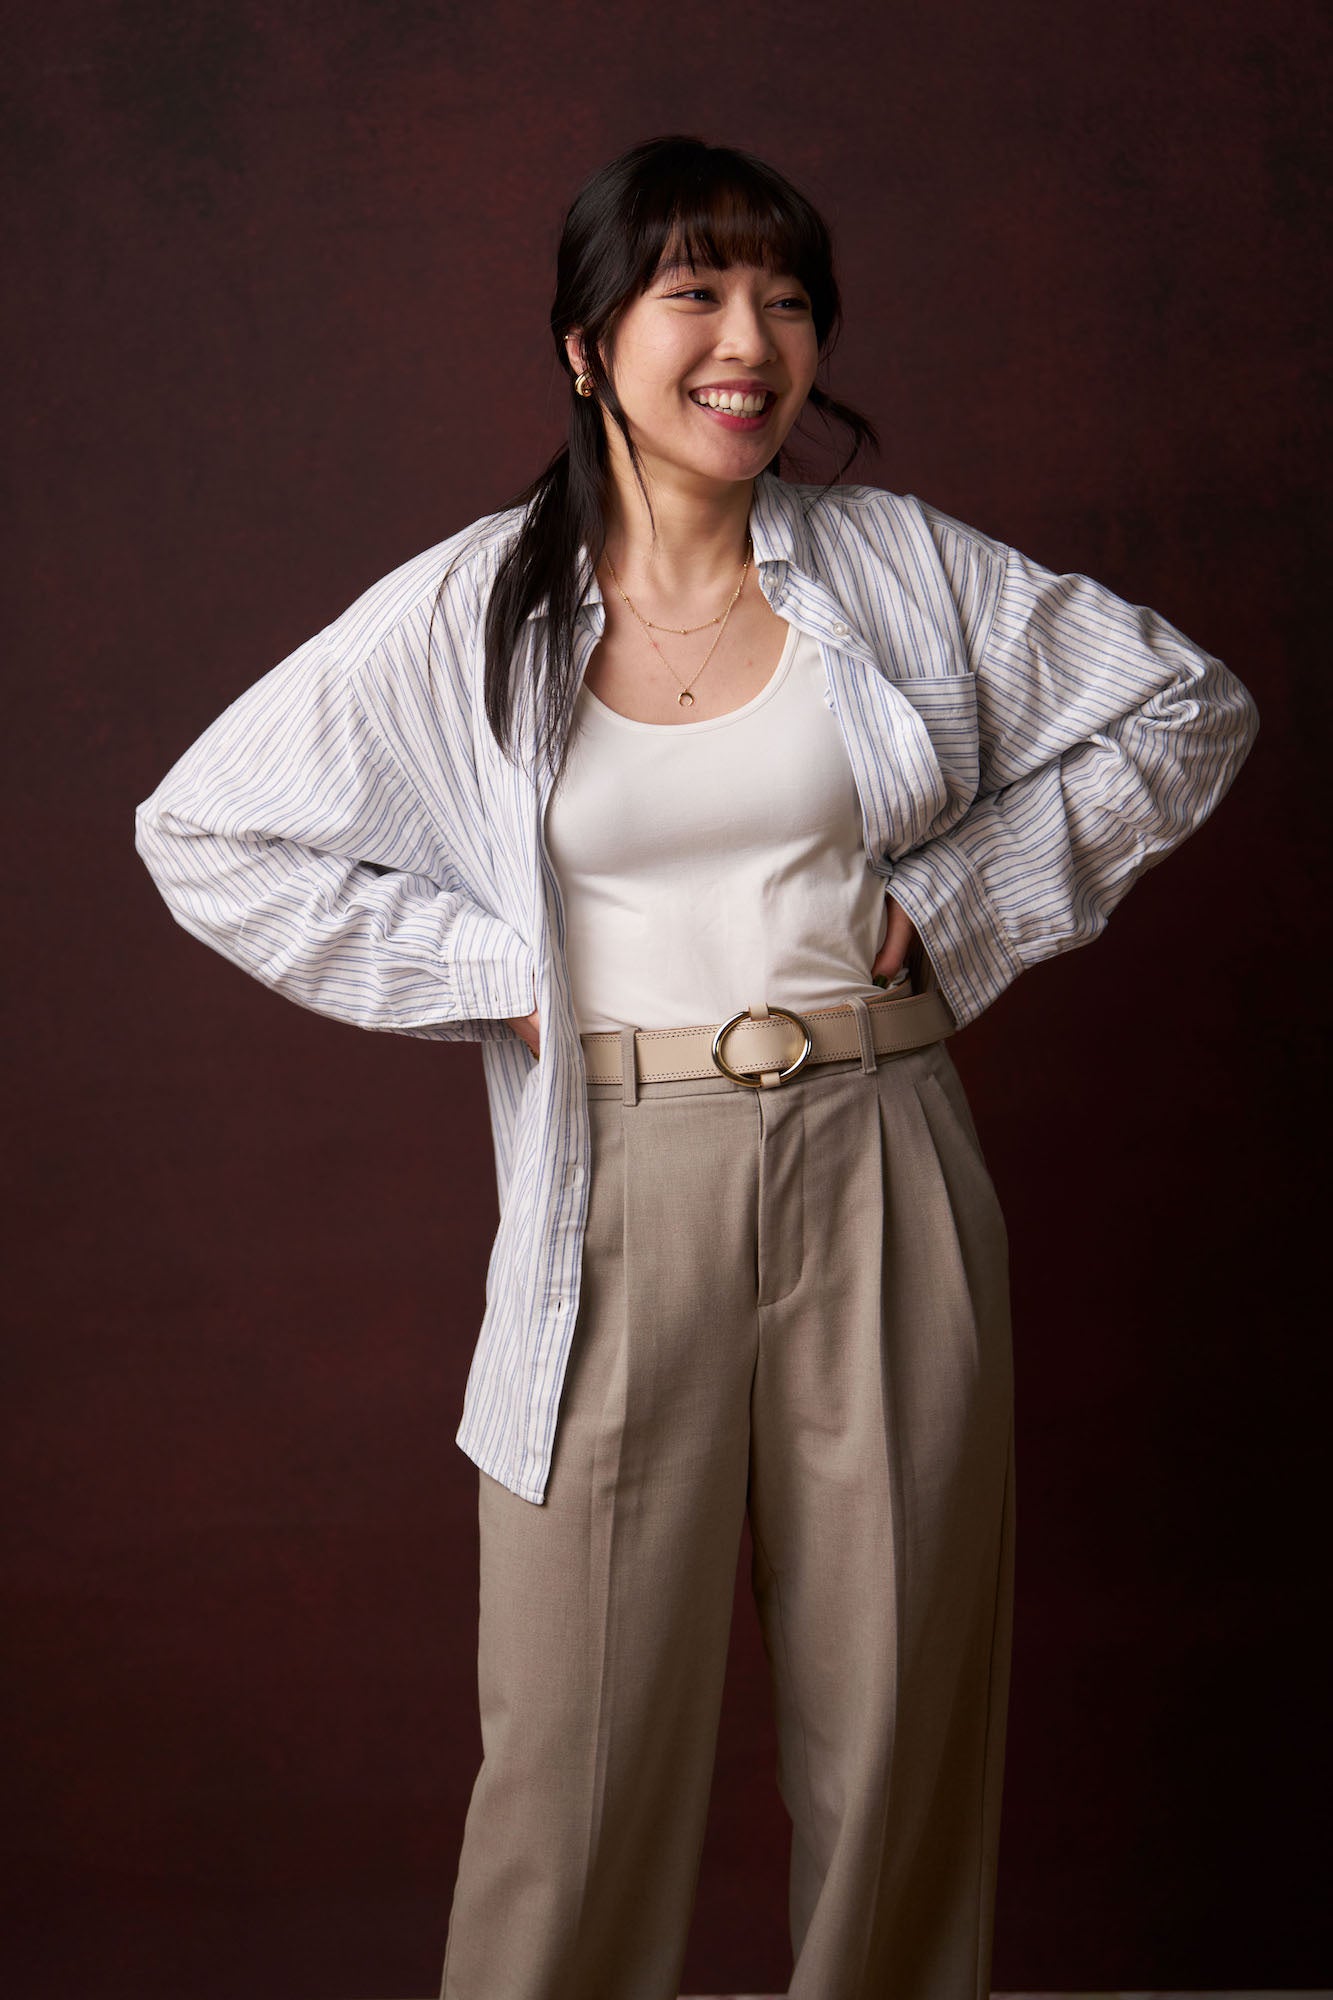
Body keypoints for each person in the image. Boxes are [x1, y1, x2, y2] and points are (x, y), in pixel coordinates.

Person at [134, 135, 1260, 2000]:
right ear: (587, 343)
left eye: (788, 300)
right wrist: (491, 974)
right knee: (572, 1764)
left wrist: (965, 899)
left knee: (894, 1734)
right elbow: (209, 835)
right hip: (617, 1182)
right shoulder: (469, 613)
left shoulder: (892, 569)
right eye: (699, 294)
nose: (752, 341)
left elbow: (1179, 705)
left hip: (881, 1144)